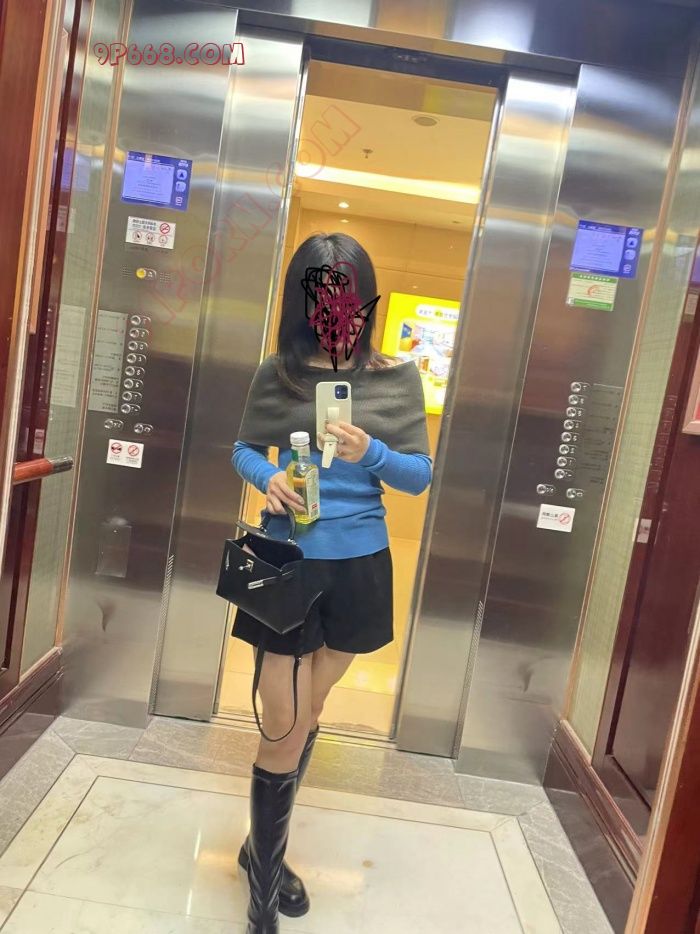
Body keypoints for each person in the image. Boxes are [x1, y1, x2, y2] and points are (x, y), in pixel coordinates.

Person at [230, 233, 432, 933]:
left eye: (344, 299)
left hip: (359, 564)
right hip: (284, 561)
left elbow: (418, 477)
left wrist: (370, 451)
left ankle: (262, 850)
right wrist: (269, 477)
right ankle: (262, 897)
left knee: (309, 715)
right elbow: (243, 448)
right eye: (319, 299)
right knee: (283, 724)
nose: (332, 314)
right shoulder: (279, 374)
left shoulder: (396, 378)